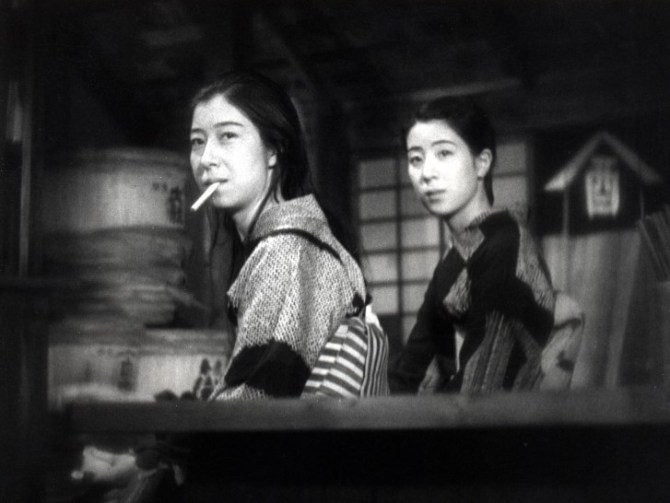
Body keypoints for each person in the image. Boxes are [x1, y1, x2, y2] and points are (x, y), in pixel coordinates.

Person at [189, 71, 370, 399]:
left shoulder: (287, 251)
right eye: (197, 141)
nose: (206, 159)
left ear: (273, 150)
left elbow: (260, 400)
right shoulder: (293, 240)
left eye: (227, 136)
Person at [388, 96, 555, 394]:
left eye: (444, 153)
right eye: (416, 159)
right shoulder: (456, 258)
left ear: (482, 163)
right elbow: (410, 368)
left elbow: (481, 391)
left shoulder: (505, 248)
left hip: (498, 417)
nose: (426, 173)